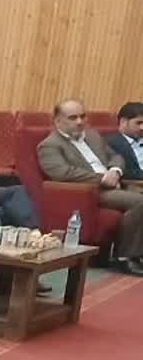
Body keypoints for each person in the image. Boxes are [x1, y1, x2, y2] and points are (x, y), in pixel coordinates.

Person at [39, 98, 143, 269]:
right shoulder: (50, 145)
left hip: (114, 183)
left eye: (82, 116)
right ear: (58, 121)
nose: (80, 122)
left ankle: (138, 253)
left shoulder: (92, 136)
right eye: (73, 118)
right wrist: (102, 179)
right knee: (140, 201)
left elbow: (115, 156)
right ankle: (124, 257)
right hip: (90, 191)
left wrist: (115, 170)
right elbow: (62, 173)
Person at [106, 101, 143, 182]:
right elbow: (125, 171)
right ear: (123, 122)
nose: (142, 128)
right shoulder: (111, 143)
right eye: (139, 123)